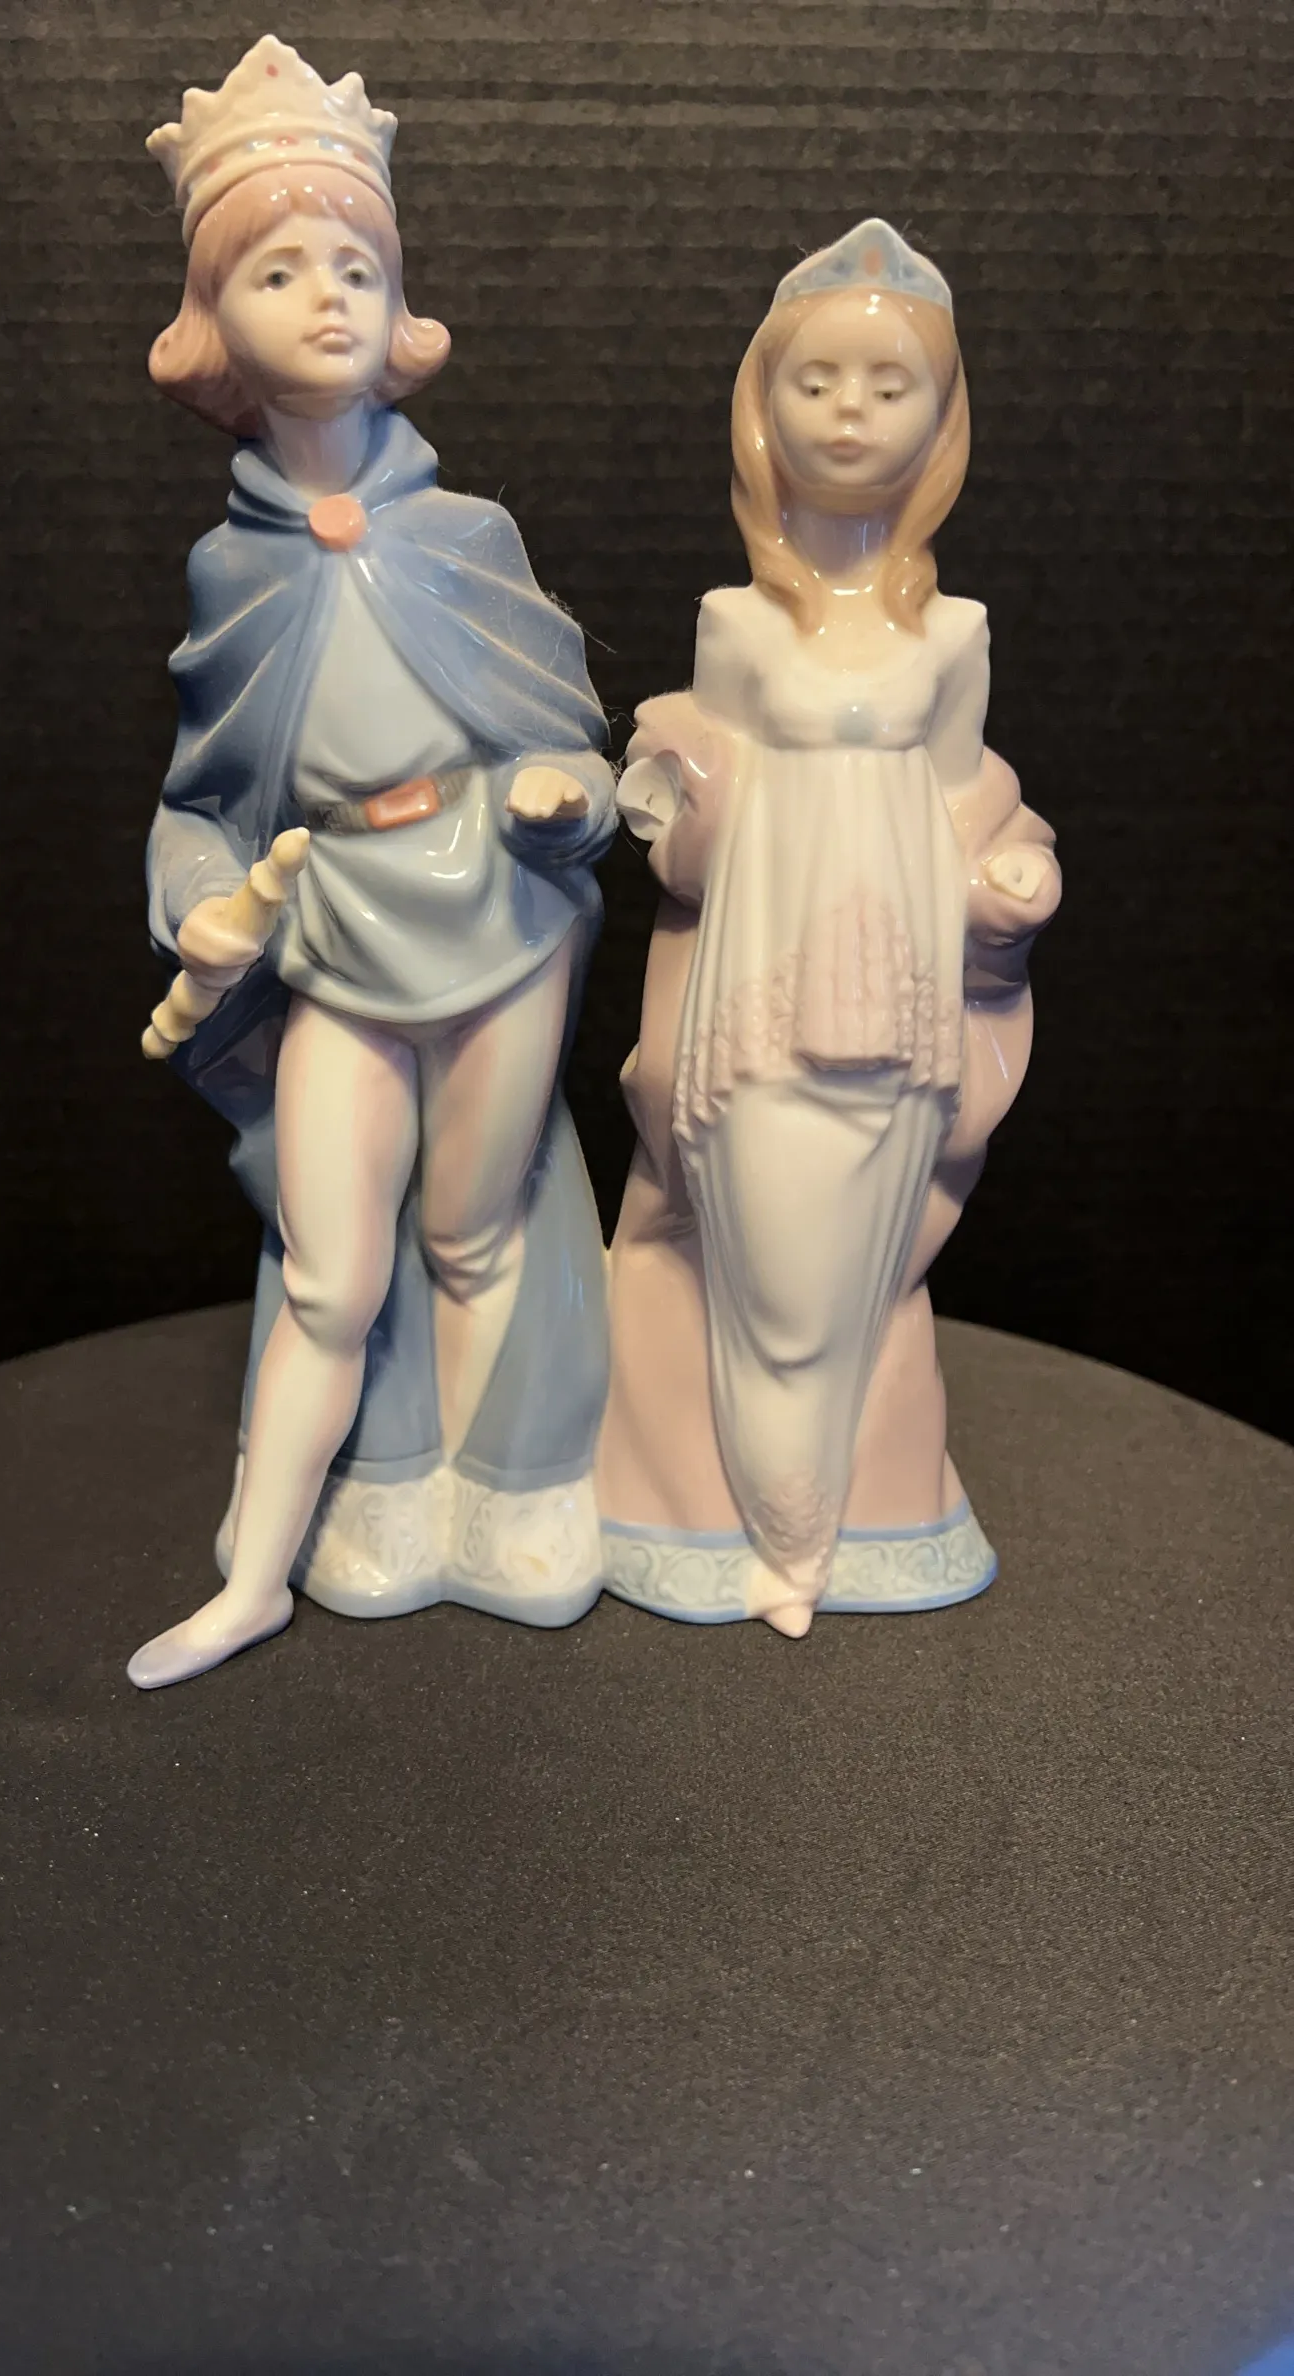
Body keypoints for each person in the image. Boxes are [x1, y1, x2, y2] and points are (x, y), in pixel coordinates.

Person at [129, 38, 615, 1689]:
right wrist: (197, 902)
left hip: (497, 914)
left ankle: (502, 1491)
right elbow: (200, 797)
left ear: (399, 298)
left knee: (477, 1225)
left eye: (356, 265)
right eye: (278, 269)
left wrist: (561, 794)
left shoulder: (466, 536)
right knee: (331, 1266)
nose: (327, 298)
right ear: (214, 316)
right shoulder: (231, 572)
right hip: (335, 929)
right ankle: (261, 1573)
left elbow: (573, 742)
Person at [596, 219, 1061, 1635]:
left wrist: (1009, 884)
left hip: (900, 1014)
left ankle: (831, 1530)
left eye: (887, 383)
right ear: (764, 408)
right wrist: (682, 811)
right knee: (772, 1279)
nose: (850, 410)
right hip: (764, 1004)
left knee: (858, 1277)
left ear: (940, 420)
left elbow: (971, 811)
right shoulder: (738, 627)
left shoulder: (953, 637)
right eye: (817, 380)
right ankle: (760, 1522)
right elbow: (687, 843)